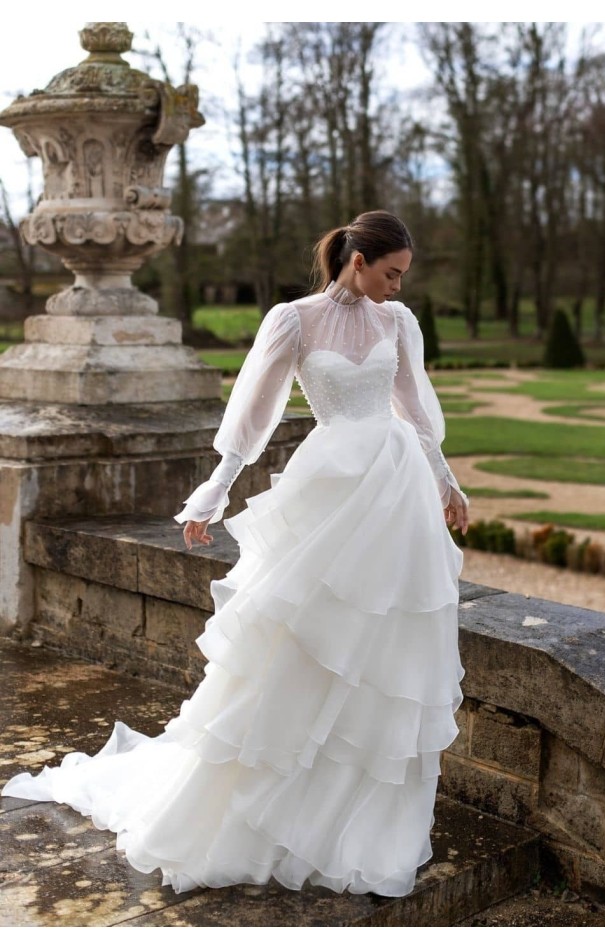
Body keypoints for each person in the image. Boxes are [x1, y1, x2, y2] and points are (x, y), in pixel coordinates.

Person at [2, 210, 470, 898]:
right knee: (299, 639)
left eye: (404, 277)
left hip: (394, 494)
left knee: (384, 645)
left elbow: (415, 410)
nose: (398, 288)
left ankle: (354, 813)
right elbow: (256, 412)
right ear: (358, 260)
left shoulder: (399, 324)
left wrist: (447, 482)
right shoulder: (295, 320)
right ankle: (266, 800)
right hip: (331, 490)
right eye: (391, 273)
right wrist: (213, 492)